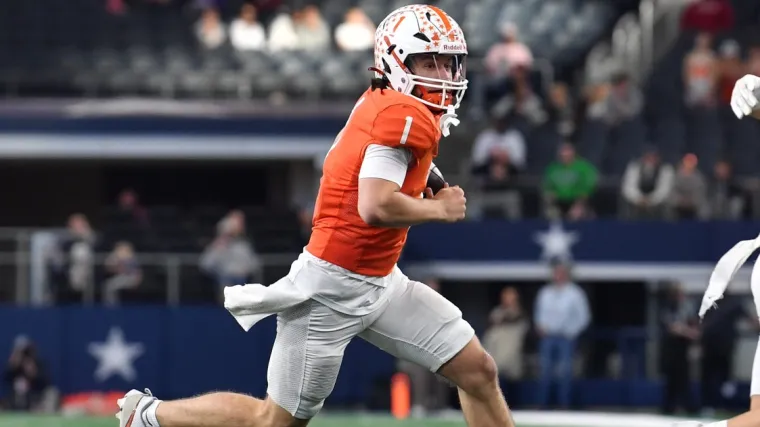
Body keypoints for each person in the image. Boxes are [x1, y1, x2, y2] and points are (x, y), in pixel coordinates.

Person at [116, 5, 515, 427]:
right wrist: (438, 208)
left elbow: (384, 164)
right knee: (274, 422)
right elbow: (375, 205)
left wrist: (427, 177)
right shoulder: (401, 116)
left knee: (478, 371)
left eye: (448, 63)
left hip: (382, 282)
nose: (443, 74)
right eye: (429, 63)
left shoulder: (389, 103)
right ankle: (148, 415)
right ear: (396, 62)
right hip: (331, 288)